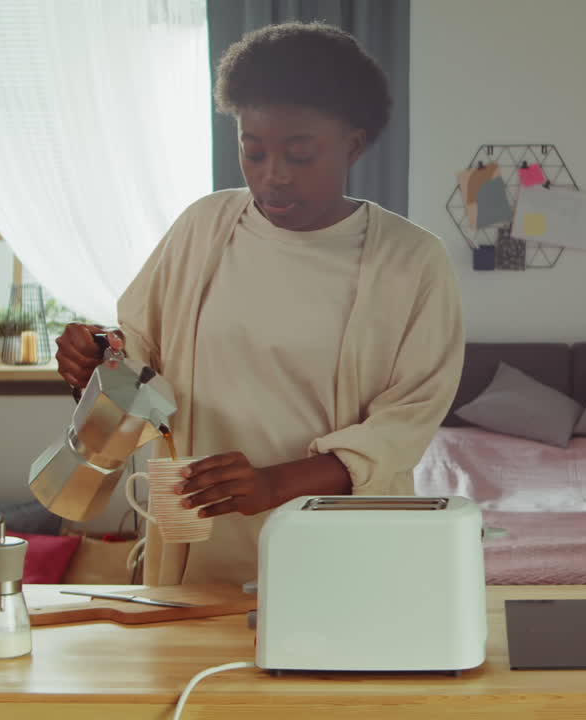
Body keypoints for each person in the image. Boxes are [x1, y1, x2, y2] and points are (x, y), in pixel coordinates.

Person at [54, 22, 465, 586]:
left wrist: (273, 484)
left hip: (339, 554)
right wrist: (95, 359)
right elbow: (138, 361)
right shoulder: (203, 229)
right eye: (253, 150)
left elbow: (406, 419)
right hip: (197, 547)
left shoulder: (413, 261)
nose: (273, 176)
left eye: (300, 155)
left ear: (354, 144)